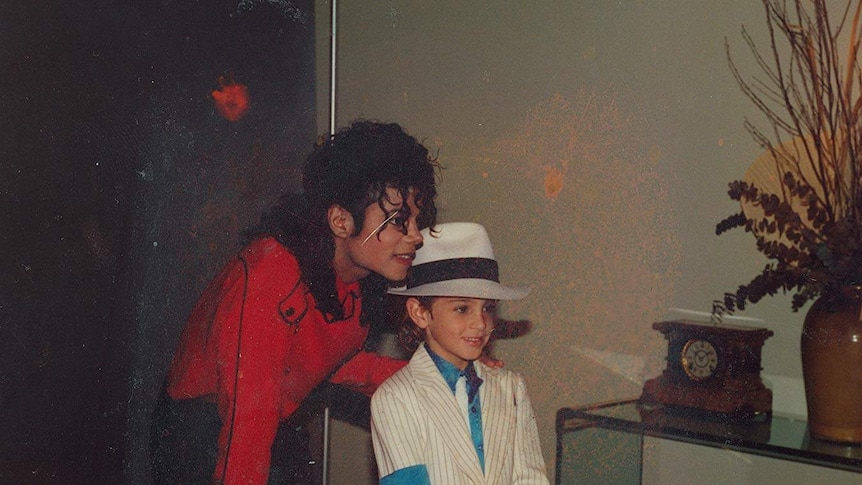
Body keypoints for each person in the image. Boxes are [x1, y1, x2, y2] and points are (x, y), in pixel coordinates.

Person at [150, 120, 440, 485]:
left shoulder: (352, 275)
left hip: (265, 421)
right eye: (399, 220)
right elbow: (247, 425)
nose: (415, 236)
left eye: (417, 219)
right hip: (204, 435)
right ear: (340, 220)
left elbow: (325, 361)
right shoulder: (271, 275)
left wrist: (447, 377)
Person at [370, 222, 550, 485]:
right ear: (420, 313)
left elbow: (531, 478)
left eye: (487, 308)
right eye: (462, 309)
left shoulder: (511, 388)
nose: (480, 323)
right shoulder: (395, 398)